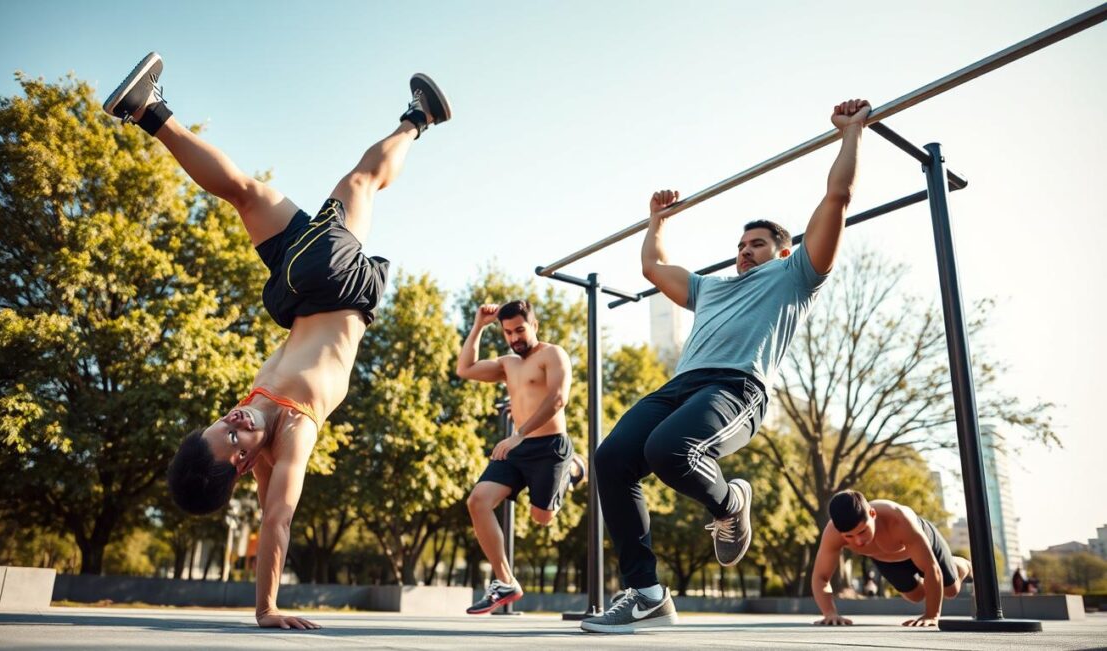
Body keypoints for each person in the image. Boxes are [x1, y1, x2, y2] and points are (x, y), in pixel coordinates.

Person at [103, 52, 451, 629]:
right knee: (250, 192)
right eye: (234, 435)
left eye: (223, 421)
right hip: (307, 288)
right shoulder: (288, 438)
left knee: (342, 182)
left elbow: (272, 518)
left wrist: (266, 609)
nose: (236, 419)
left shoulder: (274, 425)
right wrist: (266, 607)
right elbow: (276, 517)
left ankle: (420, 119)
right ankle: (151, 113)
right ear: (242, 466)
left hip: (323, 286)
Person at [581, 99, 871, 634]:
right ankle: (646, 593)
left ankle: (731, 504)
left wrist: (851, 133)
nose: (744, 252)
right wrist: (656, 220)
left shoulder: (795, 277)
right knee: (612, 457)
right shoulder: (710, 289)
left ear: (783, 252)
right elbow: (651, 265)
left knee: (668, 450)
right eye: (740, 245)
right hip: (681, 388)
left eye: (757, 244)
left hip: (738, 389)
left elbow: (838, 196)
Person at [457, 301, 586, 614]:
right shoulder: (507, 364)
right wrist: (478, 326)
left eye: (519, 330)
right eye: (507, 332)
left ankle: (572, 468)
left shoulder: (553, 354)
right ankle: (505, 582)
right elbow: (465, 369)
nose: (514, 337)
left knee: (542, 518)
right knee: (477, 501)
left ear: (534, 326)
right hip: (517, 450)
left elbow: (558, 399)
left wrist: (519, 432)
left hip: (550, 448)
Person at [812, 490, 972, 628]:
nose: (858, 542)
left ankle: (962, 564)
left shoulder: (898, 520)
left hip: (922, 543)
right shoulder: (833, 534)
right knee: (915, 596)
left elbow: (931, 568)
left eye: (862, 531)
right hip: (886, 558)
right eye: (849, 536)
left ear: (872, 514)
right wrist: (830, 614)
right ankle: (933, 585)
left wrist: (931, 615)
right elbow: (821, 577)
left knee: (951, 591)